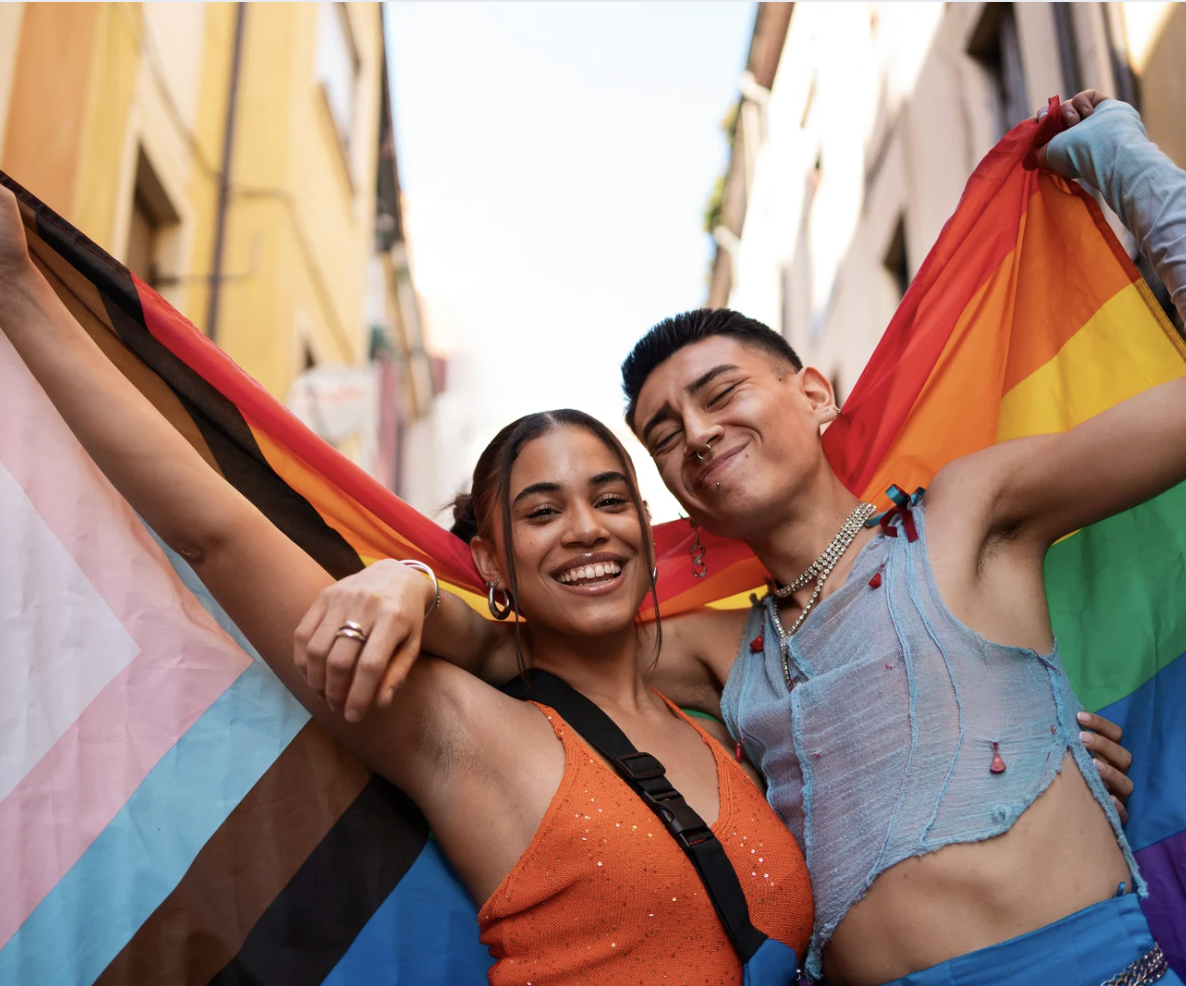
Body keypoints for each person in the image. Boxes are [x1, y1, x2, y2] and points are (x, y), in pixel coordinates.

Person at [0, 205, 821, 979]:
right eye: (541, 511)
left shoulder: (723, 707)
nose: (585, 528)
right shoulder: (462, 731)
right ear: (492, 563)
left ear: (646, 528)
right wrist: (20, 291)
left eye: (610, 500)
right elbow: (218, 536)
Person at [612, 91, 1186, 985]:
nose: (695, 433)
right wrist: (410, 581)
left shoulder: (966, 513)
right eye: (662, 434)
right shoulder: (721, 654)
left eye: (720, 395)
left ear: (812, 394)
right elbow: (500, 660)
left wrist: (1123, 159)